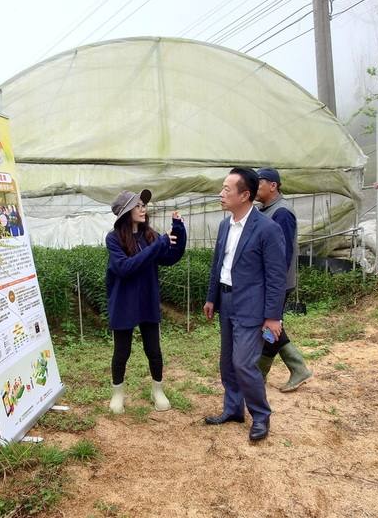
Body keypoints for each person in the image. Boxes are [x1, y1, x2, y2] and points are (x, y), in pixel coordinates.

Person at [203, 168, 286, 441]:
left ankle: (261, 416)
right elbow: (219, 264)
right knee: (227, 362)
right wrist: (211, 297)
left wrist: (273, 317)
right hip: (226, 302)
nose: (221, 193)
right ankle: (233, 409)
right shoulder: (226, 225)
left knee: (243, 363)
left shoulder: (267, 229)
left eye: (227, 189)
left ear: (245, 195)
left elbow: (276, 277)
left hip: (251, 306)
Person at [106, 189, 187, 414]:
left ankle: (157, 390)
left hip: (147, 299)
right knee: (122, 351)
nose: (143, 209)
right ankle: (118, 394)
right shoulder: (113, 239)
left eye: (144, 205)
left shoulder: (148, 235)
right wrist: (157, 246)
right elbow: (124, 268)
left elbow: (169, 257)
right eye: (138, 205)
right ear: (126, 212)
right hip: (124, 301)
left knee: (154, 349)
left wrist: (179, 232)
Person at [256, 167, 313, 392]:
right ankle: (292, 368)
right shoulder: (266, 210)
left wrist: (274, 284)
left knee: (270, 325)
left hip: (277, 282)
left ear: (273, 185)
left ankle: (266, 371)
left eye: (259, 183)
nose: (255, 188)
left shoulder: (282, 213)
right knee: (269, 325)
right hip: (269, 282)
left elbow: (283, 253)